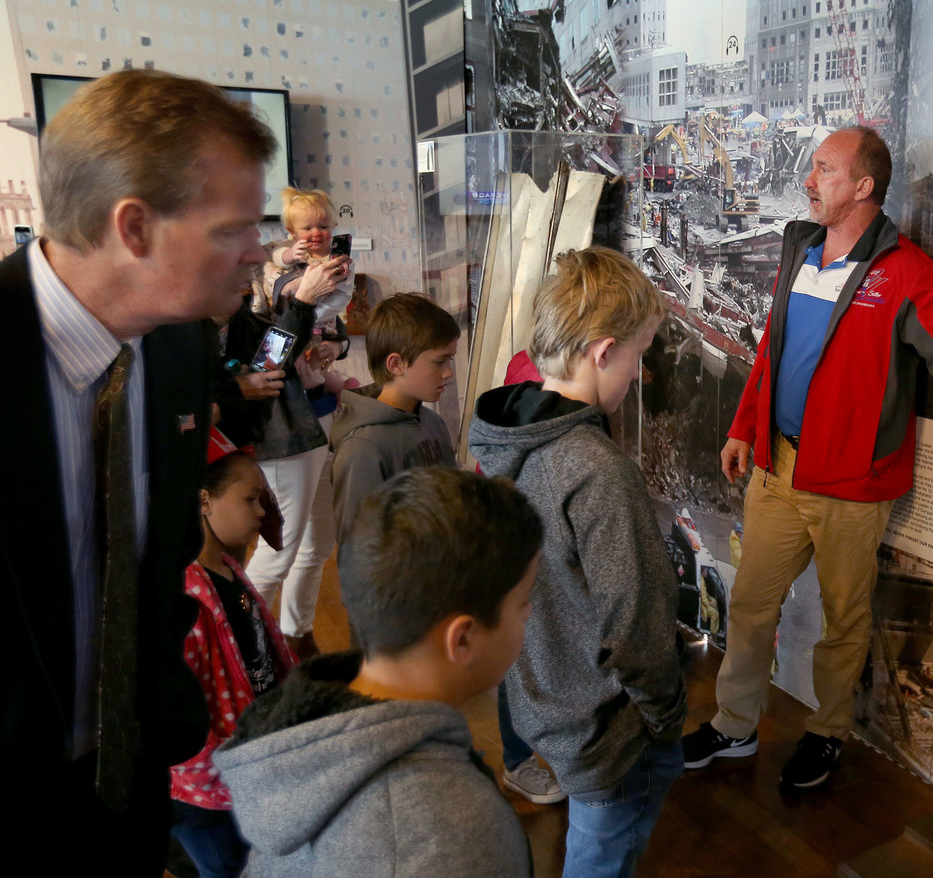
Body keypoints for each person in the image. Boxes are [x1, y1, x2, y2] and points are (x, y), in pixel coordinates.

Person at [681, 126, 933, 791]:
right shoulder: (800, 249)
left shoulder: (905, 273)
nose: (809, 181)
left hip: (850, 485)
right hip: (778, 469)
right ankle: (734, 723)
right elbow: (771, 350)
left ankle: (827, 732)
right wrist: (743, 427)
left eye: (825, 170)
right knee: (751, 605)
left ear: (864, 186)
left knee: (843, 621)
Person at [0, 68, 277, 872]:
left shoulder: (183, 347)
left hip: (132, 784)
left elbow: (160, 555)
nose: (258, 251)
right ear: (134, 227)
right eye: (233, 228)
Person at [468, 247, 688, 878]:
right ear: (603, 351)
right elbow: (638, 623)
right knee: (600, 857)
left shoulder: (511, 438)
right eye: (638, 356)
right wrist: (665, 717)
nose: (639, 375)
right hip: (607, 732)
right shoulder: (596, 470)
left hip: (548, 704)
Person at [214, 468, 538, 877]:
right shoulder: (457, 834)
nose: (529, 613)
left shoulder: (307, 730)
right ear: (463, 639)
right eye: (523, 602)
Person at [171, 429, 298, 878]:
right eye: (250, 499)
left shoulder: (228, 568)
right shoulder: (184, 598)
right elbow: (179, 712)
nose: (262, 511)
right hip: (209, 793)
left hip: (247, 773)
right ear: (203, 501)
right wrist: (228, 767)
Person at [228, 247, 350, 659]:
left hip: (318, 422)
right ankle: (245, 653)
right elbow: (269, 361)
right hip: (281, 436)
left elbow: (326, 331)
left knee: (317, 544)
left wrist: (337, 343)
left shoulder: (267, 287)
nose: (317, 236)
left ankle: (296, 635)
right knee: (277, 553)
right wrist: (302, 300)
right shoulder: (245, 295)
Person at [330, 292, 460, 545]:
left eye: (450, 360)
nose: (448, 373)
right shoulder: (362, 448)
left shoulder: (434, 422)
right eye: (439, 362)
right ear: (396, 364)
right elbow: (359, 549)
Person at [257, 187, 356, 335]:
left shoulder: (340, 260)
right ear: (293, 232)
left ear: (333, 226)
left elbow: (343, 295)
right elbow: (277, 256)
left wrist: (315, 315)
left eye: (323, 227)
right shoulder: (293, 246)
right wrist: (290, 254)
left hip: (322, 319)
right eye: (308, 228)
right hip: (289, 316)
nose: (316, 232)